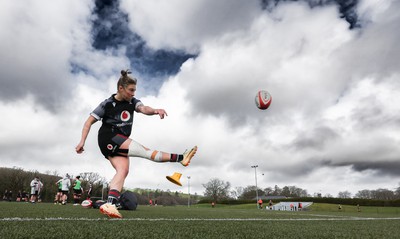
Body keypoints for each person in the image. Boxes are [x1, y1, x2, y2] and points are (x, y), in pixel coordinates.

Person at [75, 70, 198, 219]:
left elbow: (143, 108)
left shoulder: (132, 102)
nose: (133, 93)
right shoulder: (107, 104)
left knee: (123, 171)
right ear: (121, 88)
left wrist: (155, 111)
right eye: (131, 90)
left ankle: (110, 204)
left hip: (118, 140)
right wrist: (82, 141)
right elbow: (88, 122)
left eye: (135, 90)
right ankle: (181, 158)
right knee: (146, 152)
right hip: (109, 137)